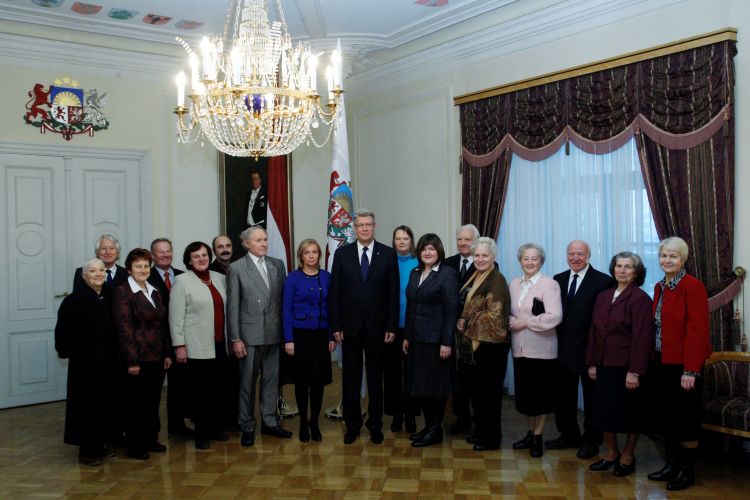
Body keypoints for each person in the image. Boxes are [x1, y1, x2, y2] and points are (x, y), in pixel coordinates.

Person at [329, 208, 399, 445]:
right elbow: (335, 292)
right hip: (349, 328)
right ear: (354, 228)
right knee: (351, 377)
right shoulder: (342, 254)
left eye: (369, 224)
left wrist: (391, 325)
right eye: (360, 225)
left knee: (375, 378)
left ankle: (375, 425)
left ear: (374, 226)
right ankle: (352, 424)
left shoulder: (388, 254)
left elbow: (392, 293)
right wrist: (336, 325)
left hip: (378, 328)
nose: (365, 228)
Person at [647, 237, 711, 491]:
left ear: (683, 259)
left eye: (673, 256)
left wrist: (691, 370)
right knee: (668, 417)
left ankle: (687, 471)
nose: (667, 260)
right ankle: (671, 465)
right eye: (664, 256)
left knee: (687, 419)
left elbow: (697, 332)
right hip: (662, 362)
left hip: (684, 366)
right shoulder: (659, 286)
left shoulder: (692, 286)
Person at [586, 252, 654, 477]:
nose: (622, 271)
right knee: (604, 410)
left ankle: (628, 455)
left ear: (636, 272)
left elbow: (643, 338)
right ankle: (611, 452)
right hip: (604, 364)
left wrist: (635, 371)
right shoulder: (603, 296)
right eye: (618, 266)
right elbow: (594, 331)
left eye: (628, 267)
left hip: (626, 367)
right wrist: (593, 363)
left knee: (630, 413)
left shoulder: (640, 299)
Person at [547, 240, 615, 458]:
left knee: (592, 399)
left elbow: (604, 321)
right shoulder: (558, 279)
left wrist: (597, 355)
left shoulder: (603, 281)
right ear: (566, 255)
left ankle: (592, 440)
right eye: (571, 253)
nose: (575, 258)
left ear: (588, 256)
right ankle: (568, 435)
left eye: (580, 254)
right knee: (563, 396)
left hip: (589, 351)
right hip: (562, 350)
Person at [227, 226, 291, 447]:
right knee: (247, 384)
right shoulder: (236, 268)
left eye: (265, 239)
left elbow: (282, 302)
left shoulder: (277, 265)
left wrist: (285, 334)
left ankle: (270, 422)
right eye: (258, 240)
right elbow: (232, 307)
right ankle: (246, 425)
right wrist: (235, 338)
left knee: (271, 382)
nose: (264, 243)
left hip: (273, 334)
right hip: (249, 336)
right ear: (247, 244)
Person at [55, 258, 118, 466]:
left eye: (101, 270)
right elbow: (63, 334)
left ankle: (102, 443)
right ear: (84, 276)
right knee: (86, 406)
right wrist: (73, 351)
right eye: (93, 271)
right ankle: (87, 450)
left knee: (106, 403)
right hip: (85, 365)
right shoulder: (73, 301)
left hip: (109, 362)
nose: (98, 274)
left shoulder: (111, 296)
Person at [169, 241, 232, 450]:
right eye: (196, 256)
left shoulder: (220, 278)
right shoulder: (182, 281)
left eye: (204, 255)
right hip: (196, 347)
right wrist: (179, 345)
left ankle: (213, 427)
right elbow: (175, 317)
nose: (201, 259)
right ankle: (201, 433)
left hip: (220, 345)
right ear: (189, 261)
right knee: (199, 393)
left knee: (217, 390)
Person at [112, 248, 172, 460]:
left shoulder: (154, 290)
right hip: (137, 359)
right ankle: (135, 445)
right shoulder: (123, 292)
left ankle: (150, 439)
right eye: (138, 266)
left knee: (152, 401)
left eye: (146, 266)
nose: (143, 270)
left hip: (157, 357)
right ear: (129, 270)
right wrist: (132, 361)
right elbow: (124, 329)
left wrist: (167, 353)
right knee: (135, 404)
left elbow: (162, 325)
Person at [403, 233, 459, 447]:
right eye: (424, 249)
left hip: (436, 342)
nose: (427, 252)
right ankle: (428, 427)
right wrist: (407, 336)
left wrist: (446, 342)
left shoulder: (447, 274)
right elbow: (411, 307)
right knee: (421, 386)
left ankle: (435, 429)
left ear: (439, 251)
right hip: (416, 340)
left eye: (432, 249)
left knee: (436, 387)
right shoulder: (415, 272)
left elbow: (451, 310)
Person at [455, 237, 511, 451]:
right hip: (475, 345)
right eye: (477, 255)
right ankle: (481, 432)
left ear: (493, 256)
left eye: (484, 255)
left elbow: (494, 317)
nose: (480, 259)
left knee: (489, 395)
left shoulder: (497, 279)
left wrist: (466, 321)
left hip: (491, 347)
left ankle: (491, 439)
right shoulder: (477, 275)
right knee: (478, 393)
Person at [509, 243, 563, 458]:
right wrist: (511, 320)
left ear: (541, 261)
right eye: (526, 258)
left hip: (542, 349)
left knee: (540, 397)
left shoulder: (549, 284)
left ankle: (538, 437)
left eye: (534, 259)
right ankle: (530, 433)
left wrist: (525, 322)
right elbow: (509, 311)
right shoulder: (514, 284)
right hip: (519, 348)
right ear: (520, 261)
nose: (529, 262)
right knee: (526, 396)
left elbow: (555, 316)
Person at [282, 239, 336, 442]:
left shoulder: (326, 277)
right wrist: (288, 339)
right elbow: (286, 310)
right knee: (302, 382)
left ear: (319, 255)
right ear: (301, 256)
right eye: (307, 252)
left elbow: (332, 308)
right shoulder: (293, 278)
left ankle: (314, 422)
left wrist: (330, 335)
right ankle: (303, 422)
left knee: (318, 382)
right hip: (300, 335)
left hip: (321, 335)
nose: (311, 256)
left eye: (315, 252)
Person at [147, 238, 191, 438]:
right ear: (153, 255)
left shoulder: (183, 276)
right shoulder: (145, 277)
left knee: (179, 387)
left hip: (180, 341)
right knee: (153, 391)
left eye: (168, 251)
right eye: (161, 252)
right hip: (157, 343)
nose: (165, 255)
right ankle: (150, 433)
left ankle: (177, 426)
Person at [444, 224, 480, 433]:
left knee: (474, 377)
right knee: (456, 376)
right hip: (451, 329)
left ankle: (478, 419)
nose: (463, 243)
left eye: (468, 239)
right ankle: (462, 418)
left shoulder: (485, 263)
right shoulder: (447, 263)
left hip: (474, 332)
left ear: (475, 241)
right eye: (460, 239)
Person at [387, 225, 419, 433]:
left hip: (413, 327)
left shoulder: (419, 262)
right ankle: (396, 414)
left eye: (405, 238)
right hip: (391, 327)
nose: (401, 242)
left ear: (411, 241)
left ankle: (410, 414)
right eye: (398, 238)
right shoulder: (387, 261)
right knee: (392, 373)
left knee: (411, 373)